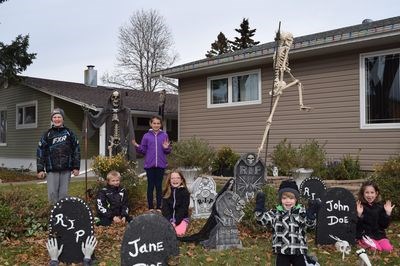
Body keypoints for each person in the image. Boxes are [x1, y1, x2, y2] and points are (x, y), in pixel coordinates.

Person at [254, 180, 321, 266]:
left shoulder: (301, 212)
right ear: (280, 199)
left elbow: (310, 225)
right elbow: (262, 220)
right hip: (282, 251)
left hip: (298, 250)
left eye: (291, 198)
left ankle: (309, 261)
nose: (288, 201)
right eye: (284, 198)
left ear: (296, 199)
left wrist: (311, 216)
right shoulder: (276, 213)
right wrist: (259, 209)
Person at [37, 108, 81, 204]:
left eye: (59, 117)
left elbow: (76, 150)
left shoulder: (70, 133)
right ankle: (52, 213)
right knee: (52, 193)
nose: (57, 119)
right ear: (52, 119)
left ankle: (62, 213)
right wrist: (40, 169)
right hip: (52, 169)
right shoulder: (47, 135)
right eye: (54, 117)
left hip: (66, 169)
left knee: (63, 194)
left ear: (63, 119)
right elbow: (40, 151)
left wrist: (76, 167)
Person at [132, 115, 171, 211]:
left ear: (161, 124)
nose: (156, 125)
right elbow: (143, 150)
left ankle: (158, 206)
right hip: (150, 165)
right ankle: (150, 207)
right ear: (151, 124)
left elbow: (167, 151)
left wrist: (166, 148)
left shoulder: (164, 135)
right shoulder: (146, 136)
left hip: (161, 165)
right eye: (154, 123)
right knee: (150, 186)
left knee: (158, 186)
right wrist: (137, 146)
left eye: (158, 123)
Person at [356, 180, 395, 252]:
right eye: (367, 192)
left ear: (376, 193)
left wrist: (387, 213)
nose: (369, 195)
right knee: (376, 249)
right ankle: (361, 242)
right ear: (363, 194)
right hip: (366, 235)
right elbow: (357, 226)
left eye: (372, 192)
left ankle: (378, 243)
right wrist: (359, 215)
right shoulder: (360, 207)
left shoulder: (380, 206)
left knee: (388, 249)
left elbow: (384, 225)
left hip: (379, 235)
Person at [161, 169, 190, 236]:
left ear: (181, 180)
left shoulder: (185, 193)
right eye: (172, 178)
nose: (175, 180)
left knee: (177, 233)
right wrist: (170, 221)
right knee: (164, 232)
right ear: (169, 180)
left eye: (178, 178)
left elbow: (183, 209)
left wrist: (176, 222)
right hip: (168, 218)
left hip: (181, 218)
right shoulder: (166, 192)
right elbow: (165, 209)